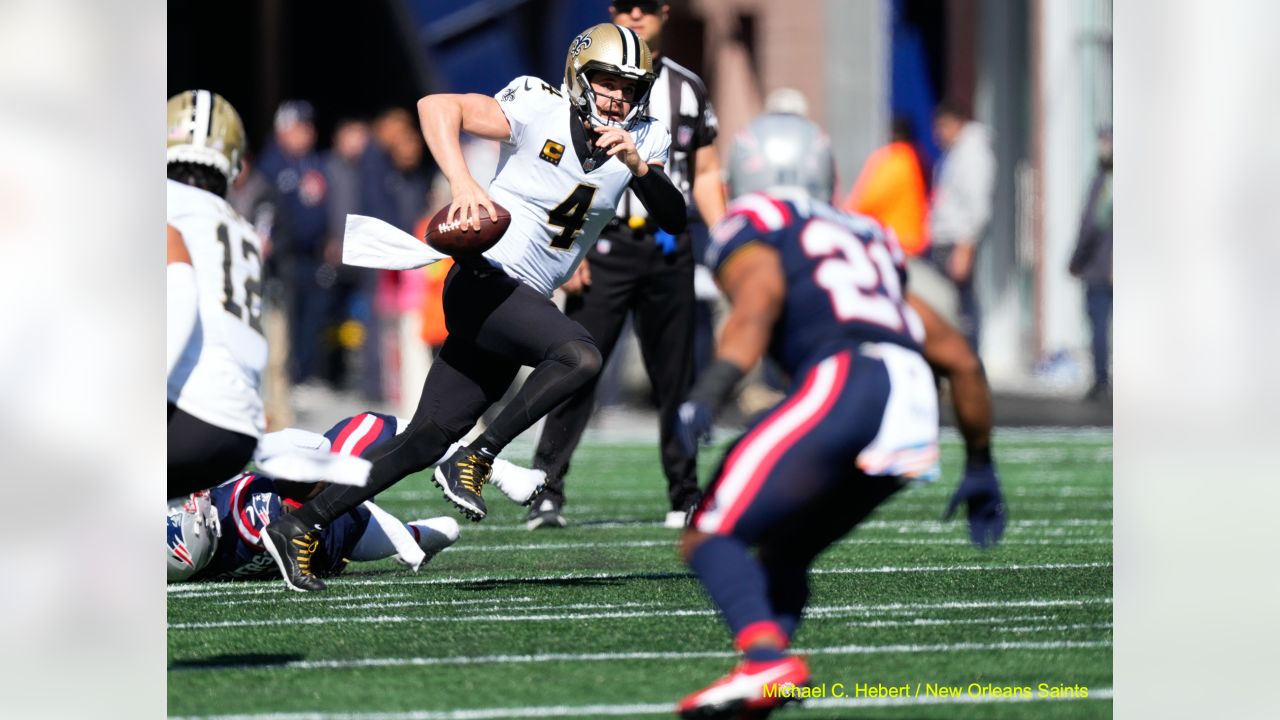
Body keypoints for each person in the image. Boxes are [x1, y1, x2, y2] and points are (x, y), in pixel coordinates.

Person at [262, 23, 686, 592]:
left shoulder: (644, 138)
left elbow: (675, 217)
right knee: (580, 356)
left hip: (520, 302)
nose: (618, 98)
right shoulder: (540, 107)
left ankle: (302, 525)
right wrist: (463, 183)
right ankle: (480, 457)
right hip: (484, 280)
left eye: (629, 87)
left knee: (425, 437)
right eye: (607, 83)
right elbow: (437, 104)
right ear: (580, 78)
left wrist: (638, 167)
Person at [670, 113, 1004, 718]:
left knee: (709, 531)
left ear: (749, 171)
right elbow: (959, 357)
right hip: (910, 401)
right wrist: (981, 465)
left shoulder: (757, 220)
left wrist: (711, 388)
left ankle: (765, 662)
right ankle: (763, 671)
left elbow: (760, 297)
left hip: (848, 380)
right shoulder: (863, 231)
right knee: (784, 550)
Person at [528, 0, 725, 530]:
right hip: (604, 243)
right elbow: (558, 169)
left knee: (675, 375)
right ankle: (545, 487)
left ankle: (685, 493)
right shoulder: (584, 84)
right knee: (578, 364)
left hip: (667, 244)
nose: (635, 14)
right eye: (623, 5)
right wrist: (566, 249)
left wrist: (727, 237)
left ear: (666, 13)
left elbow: (704, 171)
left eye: (648, 5)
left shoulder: (687, 88)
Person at [167, 410, 549, 582]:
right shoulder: (237, 511)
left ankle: (416, 536)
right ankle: (490, 468)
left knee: (427, 533)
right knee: (364, 429)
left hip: (333, 546)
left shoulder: (196, 566)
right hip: (332, 523)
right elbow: (301, 459)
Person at [167, 90, 267, 499]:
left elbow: (181, 290)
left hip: (188, 412)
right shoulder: (240, 228)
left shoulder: (165, 202)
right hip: (238, 436)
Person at [257, 100, 333, 388]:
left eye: (308, 126)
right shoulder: (271, 165)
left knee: (314, 317)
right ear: (283, 130)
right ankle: (289, 379)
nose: (307, 133)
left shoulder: (313, 161)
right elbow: (268, 212)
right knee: (286, 319)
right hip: (285, 256)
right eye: (300, 127)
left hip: (315, 254)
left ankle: (307, 374)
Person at [928, 101, 995, 353]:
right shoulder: (953, 153)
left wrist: (966, 246)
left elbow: (977, 204)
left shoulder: (973, 154)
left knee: (962, 307)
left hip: (958, 240)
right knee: (947, 306)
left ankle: (968, 362)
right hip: (946, 237)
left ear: (955, 124)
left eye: (941, 127)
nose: (938, 135)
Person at [844, 116, 931, 258]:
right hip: (913, 241)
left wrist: (846, 213)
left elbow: (869, 200)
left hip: (897, 242)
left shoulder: (896, 159)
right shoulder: (915, 158)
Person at [1069, 125, 1113, 401]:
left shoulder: (1105, 181)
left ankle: (1100, 379)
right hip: (1104, 265)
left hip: (1101, 266)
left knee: (1098, 323)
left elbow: (1091, 226)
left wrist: (1076, 259)